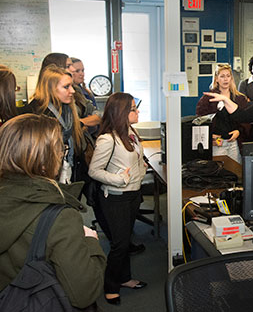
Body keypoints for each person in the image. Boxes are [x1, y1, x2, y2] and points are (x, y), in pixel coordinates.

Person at [0, 113, 106, 310]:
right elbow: (85, 293)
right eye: (60, 149)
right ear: (44, 159)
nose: (62, 155)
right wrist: (91, 242)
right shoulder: (60, 218)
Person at [88, 92, 147, 305]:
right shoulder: (107, 139)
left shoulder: (131, 132)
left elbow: (133, 159)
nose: (137, 111)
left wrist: (141, 168)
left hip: (132, 194)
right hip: (116, 197)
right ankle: (110, 285)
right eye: (133, 108)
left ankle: (125, 278)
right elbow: (94, 171)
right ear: (121, 112)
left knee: (125, 240)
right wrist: (119, 179)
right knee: (120, 244)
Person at [21, 65, 84, 184]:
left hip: (68, 170)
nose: (72, 91)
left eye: (72, 86)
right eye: (66, 87)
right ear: (50, 89)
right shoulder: (35, 115)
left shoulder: (68, 109)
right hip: (43, 176)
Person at [196, 64, 248, 163]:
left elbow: (245, 120)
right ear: (216, 79)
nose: (226, 79)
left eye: (228, 76)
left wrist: (238, 131)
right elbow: (199, 122)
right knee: (218, 174)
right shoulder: (208, 99)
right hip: (217, 144)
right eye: (222, 76)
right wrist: (209, 136)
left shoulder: (239, 98)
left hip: (234, 144)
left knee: (236, 173)